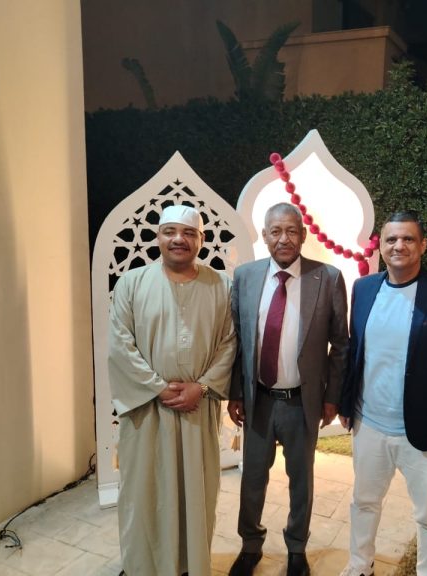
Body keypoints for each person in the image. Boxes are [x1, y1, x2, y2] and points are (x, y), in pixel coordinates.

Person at [338, 210, 427, 576]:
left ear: (423, 245)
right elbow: (355, 352)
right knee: (364, 502)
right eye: (391, 239)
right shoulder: (364, 289)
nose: (399, 245)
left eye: (408, 239)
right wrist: (345, 403)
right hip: (369, 424)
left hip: (425, 431)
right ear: (381, 247)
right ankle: (359, 565)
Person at [108, 204, 237, 576]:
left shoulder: (221, 285)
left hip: (197, 409)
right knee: (144, 491)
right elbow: (120, 344)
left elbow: (230, 342)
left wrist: (203, 386)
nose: (179, 239)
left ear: (201, 240)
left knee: (195, 493)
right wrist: (157, 388)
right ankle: (142, 566)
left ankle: (188, 564)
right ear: (158, 237)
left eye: (189, 233)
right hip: (147, 410)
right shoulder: (132, 283)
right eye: (170, 232)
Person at [227, 202, 349, 576]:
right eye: (276, 231)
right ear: (264, 236)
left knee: (302, 480)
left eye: (291, 231)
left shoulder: (327, 278)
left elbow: (340, 345)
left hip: (301, 401)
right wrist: (236, 392)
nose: (284, 239)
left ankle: (297, 548)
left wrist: (332, 397)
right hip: (259, 399)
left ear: (303, 235)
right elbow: (237, 341)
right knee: (252, 479)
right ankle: (250, 545)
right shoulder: (245, 277)